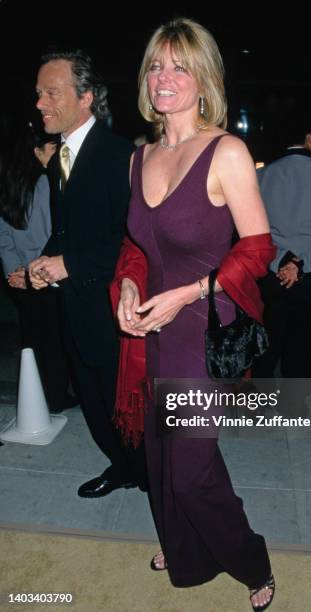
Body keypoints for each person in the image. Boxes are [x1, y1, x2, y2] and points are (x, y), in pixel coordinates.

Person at [113, 18, 277, 611]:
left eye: (179, 66)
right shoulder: (139, 158)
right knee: (161, 459)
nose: (164, 77)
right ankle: (183, 548)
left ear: (203, 79)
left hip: (201, 331)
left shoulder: (226, 150)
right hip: (151, 332)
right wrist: (130, 289)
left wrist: (187, 292)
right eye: (156, 65)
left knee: (192, 471)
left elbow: (258, 248)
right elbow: (137, 246)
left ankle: (251, 560)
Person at [28, 50, 146, 497]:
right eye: (39, 93)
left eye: (51, 93)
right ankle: (123, 467)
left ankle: (157, 482)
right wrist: (42, 264)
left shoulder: (120, 157)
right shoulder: (62, 155)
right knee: (95, 403)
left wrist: (70, 264)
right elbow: (68, 231)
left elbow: (133, 240)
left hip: (115, 307)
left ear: (86, 98)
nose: (40, 103)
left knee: (127, 406)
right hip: (75, 303)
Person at [253, 115, 311, 381]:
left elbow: (255, 231)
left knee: (266, 343)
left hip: (271, 271)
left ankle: (255, 408)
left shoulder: (261, 175)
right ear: (309, 138)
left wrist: (281, 262)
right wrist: (298, 264)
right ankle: (293, 409)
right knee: (304, 344)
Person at [0, 120, 74, 413]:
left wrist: (13, 272)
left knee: (32, 338)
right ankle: (55, 398)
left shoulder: (8, 185)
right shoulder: (47, 183)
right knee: (55, 340)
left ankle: (38, 398)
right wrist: (31, 274)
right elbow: (53, 234)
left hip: (20, 276)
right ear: (37, 150)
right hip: (45, 276)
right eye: (53, 146)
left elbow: (3, 235)